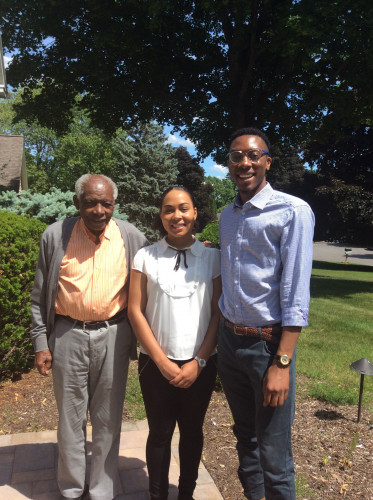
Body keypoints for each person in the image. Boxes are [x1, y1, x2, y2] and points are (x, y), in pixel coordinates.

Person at [30, 174, 148, 500]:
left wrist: (197, 248)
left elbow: (158, 269)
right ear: (77, 203)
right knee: (70, 418)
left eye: (106, 203)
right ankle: (70, 488)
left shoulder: (131, 236)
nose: (99, 210)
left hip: (115, 334)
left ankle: (101, 490)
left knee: (107, 418)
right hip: (67, 335)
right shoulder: (56, 236)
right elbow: (40, 296)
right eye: (91, 202)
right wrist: (41, 343)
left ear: (114, 204)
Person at [218, 128, 315, 500]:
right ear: (228, 164)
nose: (244, 162)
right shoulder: (228, 216)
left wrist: (283, 361)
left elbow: (295, 292)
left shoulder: (292, 211)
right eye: (235, 155)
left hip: (268, 346)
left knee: (274, 455)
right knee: (246, 439)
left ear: (267, 161)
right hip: (230, 343)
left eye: (253, 155)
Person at [128, 186, 221, 500]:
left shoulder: (213, 258)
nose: (176, 215)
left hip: (201, 364)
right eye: (168, 209)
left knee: (192, 432)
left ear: (195, 213)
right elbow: (135, 311)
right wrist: (161, 361)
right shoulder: (145, 256)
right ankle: (157, 496)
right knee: (159, 434)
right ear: (161, 215)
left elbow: (217, 314)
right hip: (155, 364)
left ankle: (186, 494)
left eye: (183, 208)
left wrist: (200, 361)